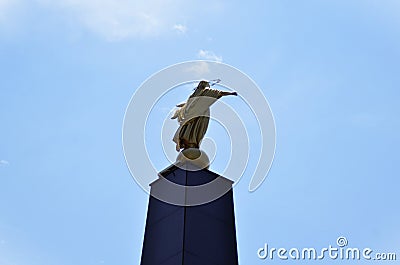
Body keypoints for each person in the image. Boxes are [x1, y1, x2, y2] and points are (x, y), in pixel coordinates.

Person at [171, 80, 238, 151]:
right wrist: (231, 93)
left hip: (200, 113)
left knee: (194, 127)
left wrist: (231, 93)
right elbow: (219, 93)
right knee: (192, 128)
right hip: (198, 114)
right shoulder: (202, 93)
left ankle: (190, 142)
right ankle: (189, 142)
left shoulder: (198, 94)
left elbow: (189, 104)